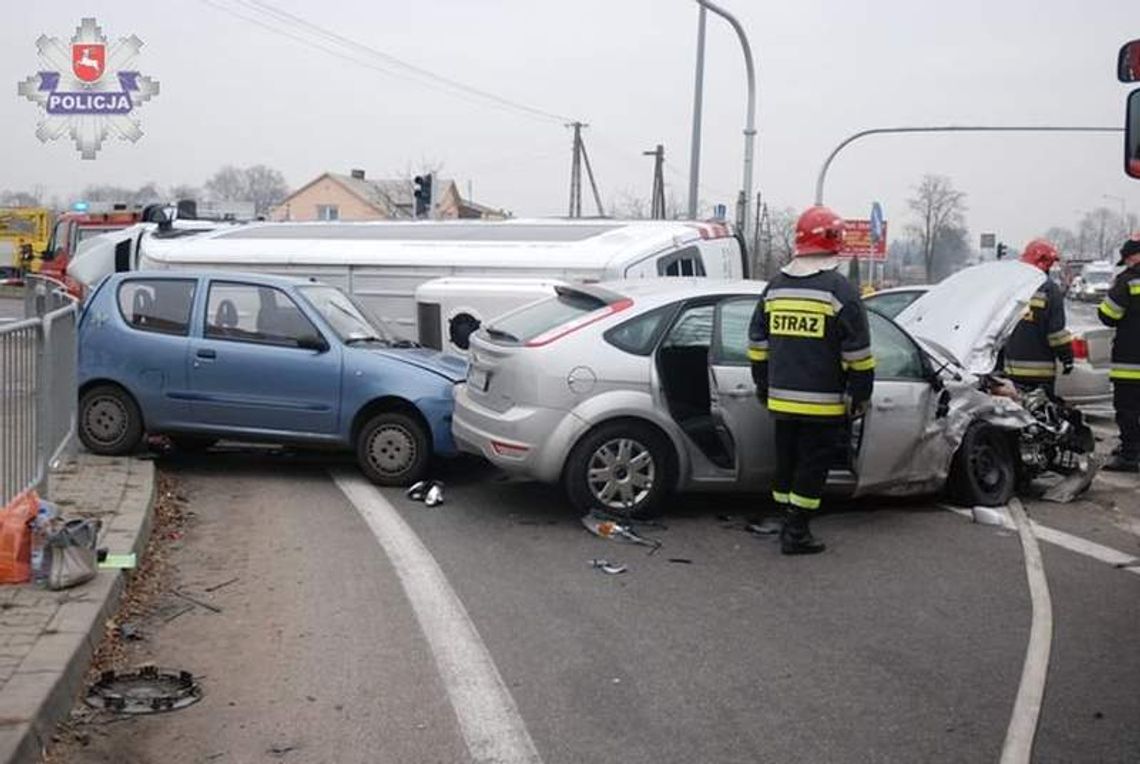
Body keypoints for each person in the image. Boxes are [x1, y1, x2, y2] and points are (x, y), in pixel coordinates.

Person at [747, 205, 875, 555]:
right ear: (835, 241)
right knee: (812, 464)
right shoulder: (840, 290)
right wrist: (861, 393)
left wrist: (763, 383)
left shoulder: (775, 287)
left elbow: (756, 342)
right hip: (822, 400)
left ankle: (784, 517)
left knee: (786, 460)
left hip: (780, 399)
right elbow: (858, 353)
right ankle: (797, 531)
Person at [1002, 239, 1073, 394]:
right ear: (1046, 264)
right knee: (1042, 414)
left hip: (1011, 371)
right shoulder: (1050, 290)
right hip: (1041, 373)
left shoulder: (1012, 288)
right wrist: (1067, 358)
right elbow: (1056, 334)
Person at [1097, 234, 1140, 472]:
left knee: (1128, 409)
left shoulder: (1129, 281)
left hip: (1132, 360)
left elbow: (1108, 315)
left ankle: (1131, 455)